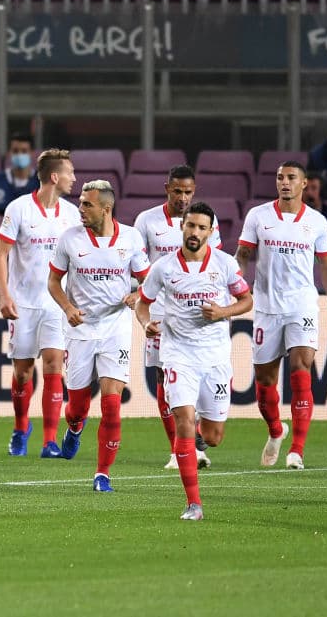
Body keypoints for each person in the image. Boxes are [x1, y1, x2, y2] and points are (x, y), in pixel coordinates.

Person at [137, 201, 253, 519]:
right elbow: (143, 303)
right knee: (184, 421)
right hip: (177, 355)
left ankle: (198, 441)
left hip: (215, 357)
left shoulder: (225, 264)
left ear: (211, 232)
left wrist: (222, 312)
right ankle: (194, 503)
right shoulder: (163, 267)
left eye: (202, 227)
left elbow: (246, 300)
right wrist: (146, 323)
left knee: (212, 437)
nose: (195, 232)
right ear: (181, 227)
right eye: (191, 226)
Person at [236, 161, 327, 470]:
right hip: (267, 307)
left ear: (304, 184)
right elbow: (243, 255)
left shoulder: (317, 222)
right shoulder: (258, 216)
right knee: (265, 380)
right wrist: (233, 284)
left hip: (302, 306)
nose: (285, 182)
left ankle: (296, 449)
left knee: (302, 367)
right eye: (280, 177)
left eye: (291, 178)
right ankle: (276, 430)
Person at [48, 179, 150, 492]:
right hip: (80, 330)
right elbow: (53, 282)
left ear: (106, 209)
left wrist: (137, 295)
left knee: (111, 406)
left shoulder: (131, 238)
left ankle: (102, 474)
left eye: (87, 204)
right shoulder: (69, 239)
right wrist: (67, 308)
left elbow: (149, 281)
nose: (80, 209)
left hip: (115, 329)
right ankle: (75, 429)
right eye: (80, 203)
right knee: (77, 407)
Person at [133, 164, 222, 469]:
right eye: (177, 191)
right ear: (167, 189)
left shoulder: (205, 221)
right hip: (160, 308)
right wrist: (139, 292)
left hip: (197, 310)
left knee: (196, 376)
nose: (183, 197)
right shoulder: (146, 220)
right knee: (163, 376)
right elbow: (138, 262)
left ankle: (195, 435)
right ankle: (178, 448)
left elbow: (216, 262)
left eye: (188, 192)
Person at [0, 148, 81, 458]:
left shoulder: (72, 214)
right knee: (22, 372)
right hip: (24, 304)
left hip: (57, 304)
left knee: (54, 365)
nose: (74, 178)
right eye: (70, 172)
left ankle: (49, 441)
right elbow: (0, 255)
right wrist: (4, 295)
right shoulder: (18, 209)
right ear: (55, 177)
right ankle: (20, 428)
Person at [0, 132, 40, 216]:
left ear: (31, 153)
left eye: (24, 151)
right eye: (15, 151)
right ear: (9, 153)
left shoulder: (42, 182)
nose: (19, 154)